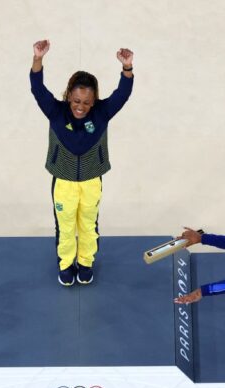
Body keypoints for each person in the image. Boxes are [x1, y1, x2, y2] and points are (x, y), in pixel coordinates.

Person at [30, 39, 134, 286]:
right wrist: (37, 59)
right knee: (65, 228)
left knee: (88, 225)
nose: (81, 107)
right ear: (68, 96)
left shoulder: (102, 112)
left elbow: (123, 94)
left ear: (95, 100)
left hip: (91, 181)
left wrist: (127, 68)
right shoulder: (56, 111)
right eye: (76, 101)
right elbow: (37, 89)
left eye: (87, 102)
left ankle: (85, 262)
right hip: (63, 182)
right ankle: (66, 265)